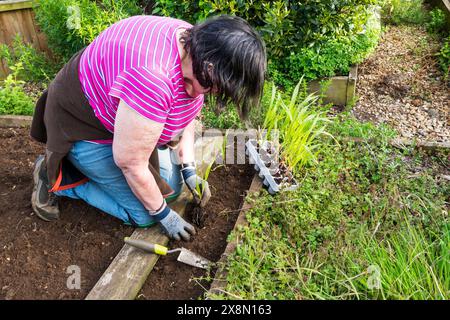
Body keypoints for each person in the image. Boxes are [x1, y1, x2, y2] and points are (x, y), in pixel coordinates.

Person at [30, 14, 266, 241]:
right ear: (209, 66)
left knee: (171, 188)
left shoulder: (197, 45)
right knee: (145, 214)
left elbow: (188, 113)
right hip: (83, 126)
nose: (215, 92)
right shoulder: (153, 79)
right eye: (216, 86)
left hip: (123, 117)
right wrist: (165, 216)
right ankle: (58, 179)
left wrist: (189, 170)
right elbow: (130, 162)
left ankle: (99, 173)